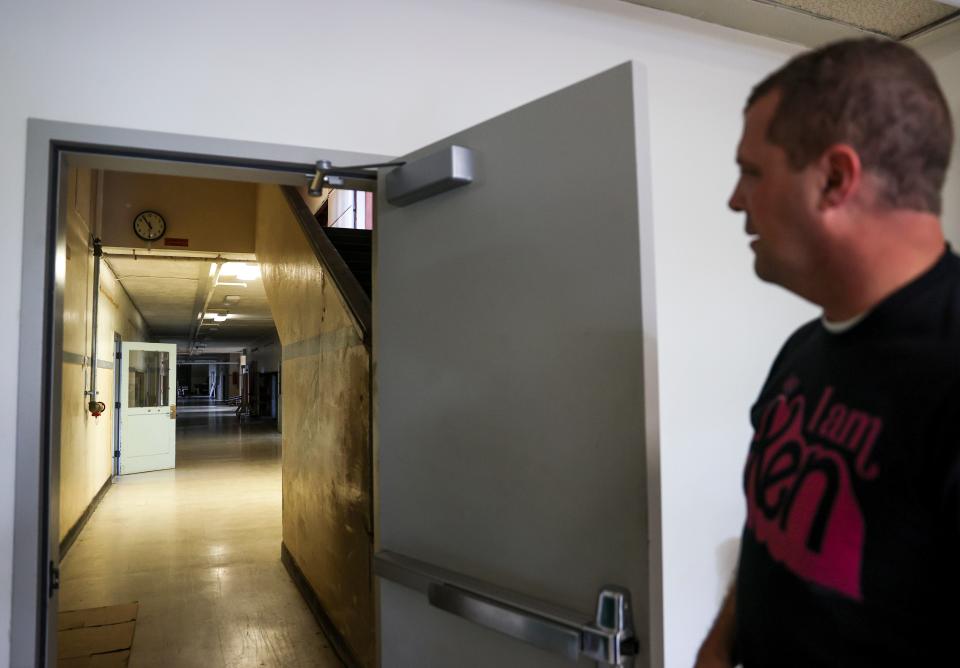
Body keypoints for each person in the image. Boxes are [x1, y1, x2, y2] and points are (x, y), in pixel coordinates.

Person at [696, 38, 956, 667]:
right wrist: (717, 648)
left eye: (752, 171)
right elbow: (770, 539)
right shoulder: (805, 352)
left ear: (836, 178)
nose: (736, 199)